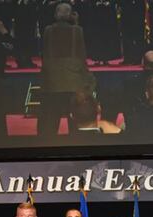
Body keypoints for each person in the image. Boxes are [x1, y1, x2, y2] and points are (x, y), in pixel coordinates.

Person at [39, 2, 96, 135]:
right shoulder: (77, 30)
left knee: (51, 124)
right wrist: (75, 23)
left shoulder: (48, 31)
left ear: (55, 15)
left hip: (52, 82)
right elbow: (81, 56)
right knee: (75, 124)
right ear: (70, 15)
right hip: (73, 82)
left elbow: (45, 56)